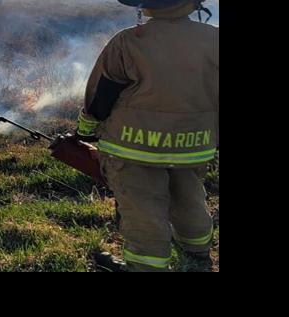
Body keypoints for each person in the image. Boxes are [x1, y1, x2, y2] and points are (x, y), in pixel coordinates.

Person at [77, 0, 219, 272]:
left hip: (133, 148)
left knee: (144, 212)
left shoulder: (128, 42)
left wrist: (84, 131)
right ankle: (197, 258)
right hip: (193, 146)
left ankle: (146, 267)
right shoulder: (214, 40)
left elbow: (99, 98)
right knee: (190, 200)